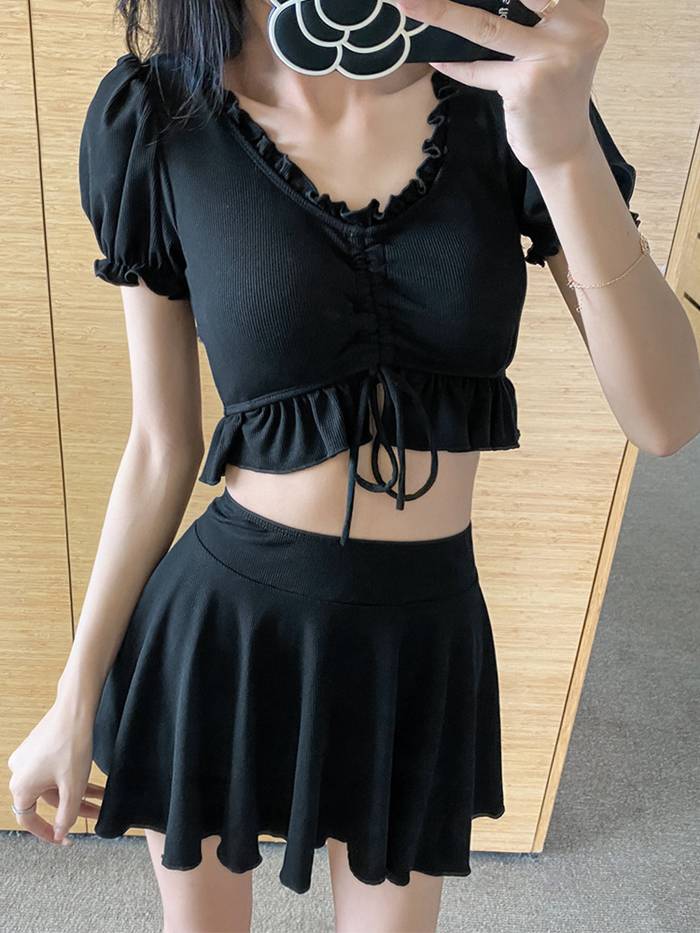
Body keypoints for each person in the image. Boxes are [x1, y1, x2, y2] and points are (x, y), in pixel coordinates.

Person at [8, 1, 700, 931]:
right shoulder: (158, 116)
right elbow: (160, 445)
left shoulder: (509, 88)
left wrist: (567, 152)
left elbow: (668, 419)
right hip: (223, 635)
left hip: (420, 640)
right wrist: (73, 695)